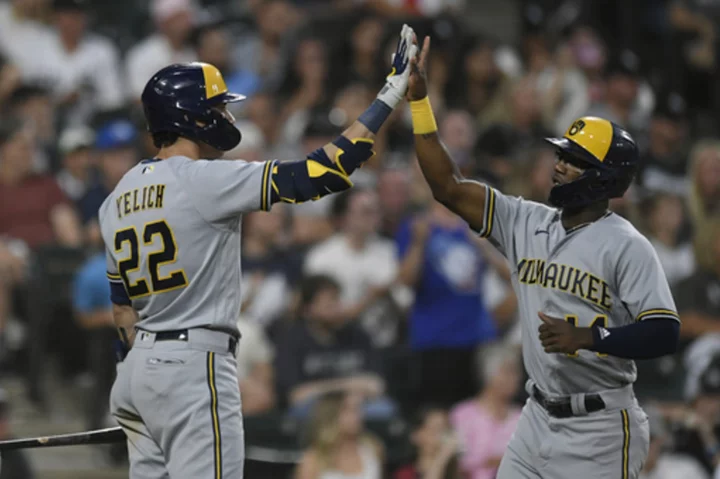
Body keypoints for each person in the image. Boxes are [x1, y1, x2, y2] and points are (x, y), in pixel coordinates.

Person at [100, 25, 417, 478]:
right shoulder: (206, 180)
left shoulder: (117, 197)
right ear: (191, 116)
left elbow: (122, 315)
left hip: (138, 372)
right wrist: (390, 94)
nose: (225, 117)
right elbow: (321, 171)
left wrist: (142, 383)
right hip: (194, 367)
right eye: (216, 108)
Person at [404, 29, 680, 479]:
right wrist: (419, 102)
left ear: (604, 178)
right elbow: (447, 187)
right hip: (535, 418)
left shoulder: (626, 244)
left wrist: (592, 338)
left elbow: (665, 332)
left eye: (574, 160)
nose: (559, 165)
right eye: (562, 154)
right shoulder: (523, 220)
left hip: (602, 428)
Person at [275, 275, 391, 419]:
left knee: (384, 409)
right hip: (314, 408)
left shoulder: (358, 335)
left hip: (358, 404)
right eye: (329, 304)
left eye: (337, 300)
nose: (337, 308)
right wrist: (347, 386)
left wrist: (322, 389)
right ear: (308, 310)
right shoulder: (292, 340)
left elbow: (376, 385)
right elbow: (296, 396)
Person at [449, 344, 522, 479]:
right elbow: (459, 462)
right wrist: (498, 460)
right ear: (489, 374)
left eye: (516, 372)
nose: (516, 378)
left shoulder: (522, 417)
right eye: (508, 371)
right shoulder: (463, 414)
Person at [295, 391, 384, 479]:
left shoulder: (374, 449)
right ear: (331, 413)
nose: (357, 415)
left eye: (358, 408)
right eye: (348, 409)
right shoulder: (313, 459)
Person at [393, 408, 461, 479]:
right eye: (436, 428)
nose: (442, 435)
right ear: (416, 435)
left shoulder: (455, 471)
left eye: (445, 429)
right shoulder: (405, 473)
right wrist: (442, 456)